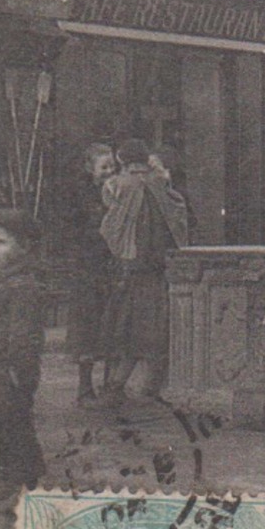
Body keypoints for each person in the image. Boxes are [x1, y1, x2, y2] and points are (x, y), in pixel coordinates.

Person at [100, 139, 188, 407]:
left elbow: (110, 225)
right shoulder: (160, 184)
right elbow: (179, 213)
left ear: (123, 160)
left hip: (130, 267)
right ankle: (151, 386)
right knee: (156, 328)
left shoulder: (119, 184)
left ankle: (115, 386)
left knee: (126, 328)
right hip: (159, 266)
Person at [0, 210, 47, 510]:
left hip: (9, 369)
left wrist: (19, 370)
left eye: (2, 242)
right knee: (9, 423)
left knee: (5, 422)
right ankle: (28, 480)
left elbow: (24, 334)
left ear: (25, 247)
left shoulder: (22, 286)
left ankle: (12, 485)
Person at [67, 142, 114, 406]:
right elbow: (82, 225)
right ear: (90, 169)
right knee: (87, 329)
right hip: (88, 268)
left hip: (110, 267)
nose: (108, 171)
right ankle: (84, 388)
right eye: (103, 167)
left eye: (111, 166)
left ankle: (110, 387)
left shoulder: (115, 190)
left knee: (112, 327)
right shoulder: (82, 194)